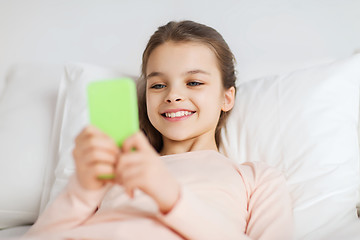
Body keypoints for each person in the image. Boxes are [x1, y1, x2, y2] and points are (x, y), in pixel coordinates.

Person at [22, 20, 293, 240]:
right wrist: (81, 190)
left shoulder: (256, 178)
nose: (173, 95)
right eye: (158, 85)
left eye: (194, 82)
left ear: (227, 97)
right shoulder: (114, 173)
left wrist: (170, 195)